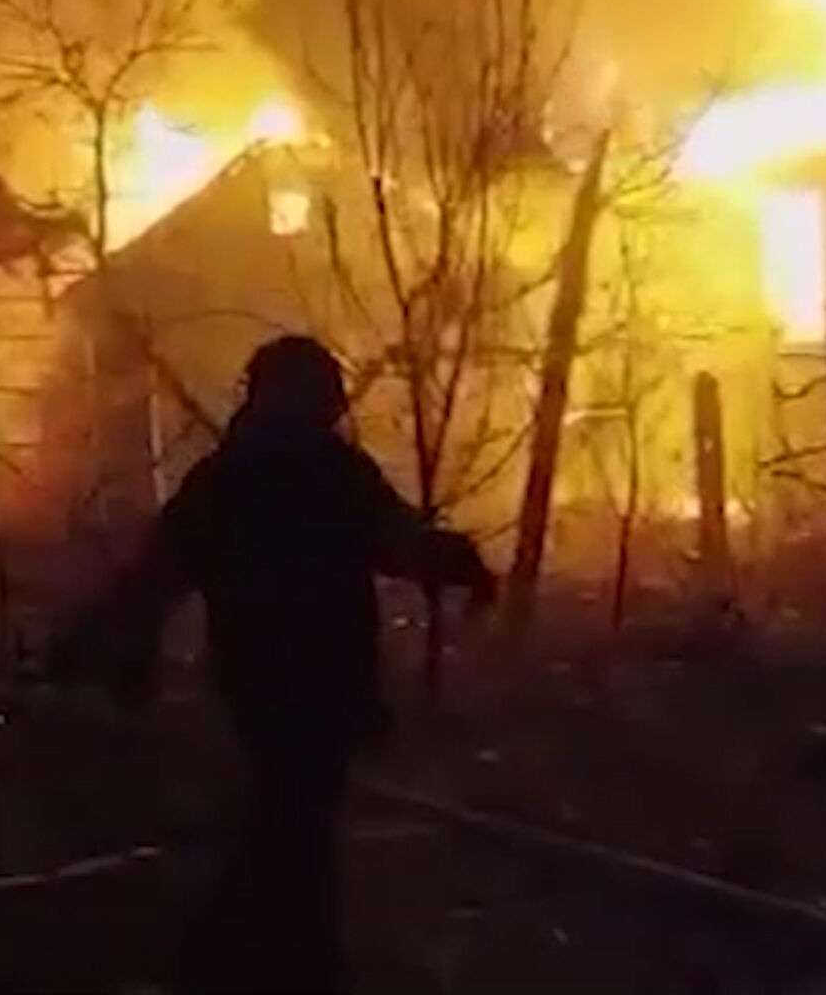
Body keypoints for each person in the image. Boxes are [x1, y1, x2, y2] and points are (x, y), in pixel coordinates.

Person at [50, 335, 496, 994]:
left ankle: (246, 957)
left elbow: (154, 578)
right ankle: (269, 963)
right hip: (326, 687)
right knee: (295, 836)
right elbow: (402, 544)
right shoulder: (336, 474)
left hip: (254, 687)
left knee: (283, 826)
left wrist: (82, 649)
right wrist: (464, 564)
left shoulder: (227, 478)